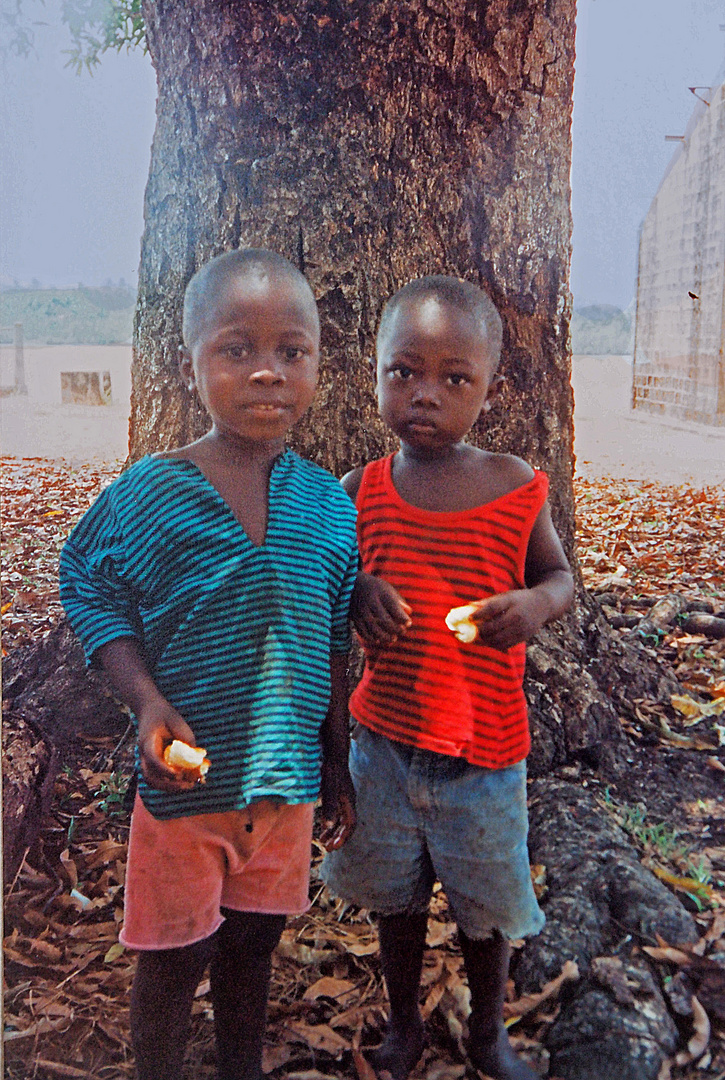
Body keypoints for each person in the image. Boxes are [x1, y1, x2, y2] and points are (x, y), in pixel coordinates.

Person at [59, 249, 359, 1080]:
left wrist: (337, 763)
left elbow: (331, 642)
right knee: (170, 963)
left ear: (316, 365)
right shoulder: (151, 492)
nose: (267, 372)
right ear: (188, 361)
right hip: (185, 794)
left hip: (287, 787)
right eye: (236, 350)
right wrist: (146, 703)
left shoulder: (330, 506)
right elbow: (85, 580)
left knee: (251, 951)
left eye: (291, 352)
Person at [322, 275, 574, 1080]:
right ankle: (402, 1022)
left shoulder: (514, 486)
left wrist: (534, 605)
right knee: (394, 899)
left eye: (452, 378)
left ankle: (487, 1032)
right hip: (385, 746)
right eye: (402, 372)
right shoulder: (358, 492)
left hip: (484, 755)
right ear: (374, 374)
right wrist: (357, 589)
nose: (423, 395)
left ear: (488, 389)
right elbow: (326, 586)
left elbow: (561, 577)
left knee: (484, 909)